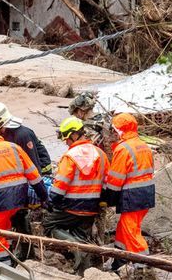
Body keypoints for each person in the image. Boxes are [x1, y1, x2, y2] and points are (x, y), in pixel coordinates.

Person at [0, 100, 53, 259]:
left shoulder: (21, 134)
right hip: (20, 181)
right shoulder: (5, 135)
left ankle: (27, 252)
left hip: (35, 178)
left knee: (22, 215)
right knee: (16, 216)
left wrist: (39, 194)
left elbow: (34, 167)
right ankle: (19, 247)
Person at [0, 122, 48, 267]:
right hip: (21, 195)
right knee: (6, 225)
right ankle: (15, 253)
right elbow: (34, 174)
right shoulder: (14, 147)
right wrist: (44, 197)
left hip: (0, 198)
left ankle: (5, 267)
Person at [45, 117, 108, 274]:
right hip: (93, 207)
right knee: (82, 236)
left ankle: (75, 248)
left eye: (66, 138)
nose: (66, 142)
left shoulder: (70, 156)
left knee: (48, 224)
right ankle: (83, 273)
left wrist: (53, 202)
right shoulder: (100, 154)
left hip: (72, 206)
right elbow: (107, 182)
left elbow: (60, 185)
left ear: (73, 135)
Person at [103, 112, 157, 270]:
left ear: (119, 130)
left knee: (131, 231)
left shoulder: (123, 149)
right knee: (124, 228)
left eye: (114, 130)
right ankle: (120, 260)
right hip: (146, 193)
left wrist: (108, 199)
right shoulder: (143, 145)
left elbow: (115, 179)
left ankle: (143, 265)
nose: (112, 133)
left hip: (133, 195)